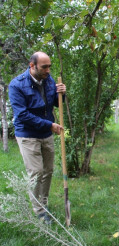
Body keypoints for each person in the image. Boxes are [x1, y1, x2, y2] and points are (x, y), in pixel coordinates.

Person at [8, 51, 66, 224]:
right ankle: (39, 211)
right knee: (36, 172)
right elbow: (22, 115)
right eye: (44, 67)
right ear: (32, 65)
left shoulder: (48, 79)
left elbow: (56, 103)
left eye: (49, 66)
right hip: (28, 134)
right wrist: (50, 125)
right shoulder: (16, 85)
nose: (48, 70)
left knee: (48, 170)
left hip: (46, 133)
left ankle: (44, 203)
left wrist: (61, 93)